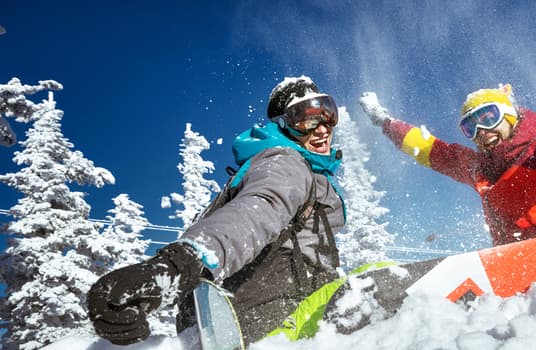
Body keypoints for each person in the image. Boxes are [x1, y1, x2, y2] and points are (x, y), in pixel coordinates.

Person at [359, 0, 536, 246]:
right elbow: (428, 150)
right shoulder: (478, 170)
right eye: (469, 127)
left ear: (510, 116)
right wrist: (383, 120)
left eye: (488, 117)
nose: (482, 132)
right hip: (519, 278)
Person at [87, 76, 346, 345]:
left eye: (328, 115)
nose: (322, 129)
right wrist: (182, 263)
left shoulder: (293, 171)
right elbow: (258, 210)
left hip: (249, 316)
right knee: (385, 283)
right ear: (282, 124)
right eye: (307, 118)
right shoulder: (286, 162)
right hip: (274, 314)